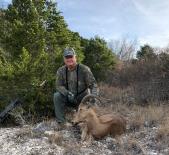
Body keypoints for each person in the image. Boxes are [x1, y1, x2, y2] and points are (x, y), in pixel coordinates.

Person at [53, 48, 98, 125]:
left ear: (75, 57)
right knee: (57, 96)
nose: (69, 59)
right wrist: (67, 93)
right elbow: (58, 86)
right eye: (67, 57)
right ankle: (62, 123)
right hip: (69, 98)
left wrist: (93, 99)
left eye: (71, 57)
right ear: (64, 59)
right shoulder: (60, 71)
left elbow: (93, 85)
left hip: (82, 99)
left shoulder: (84, 69)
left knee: (90, 121)